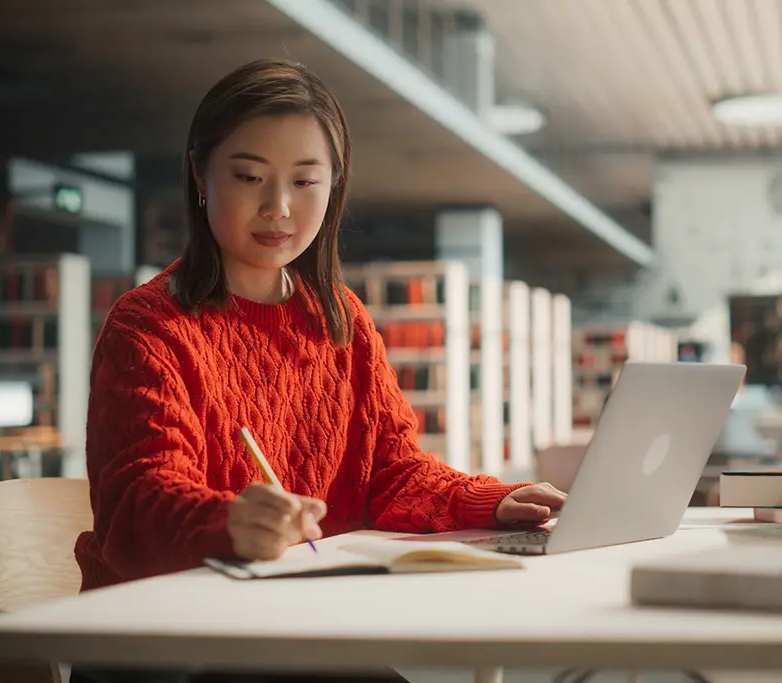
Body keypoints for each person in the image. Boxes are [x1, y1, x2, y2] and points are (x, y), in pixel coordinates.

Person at [70, 59, 567, 683]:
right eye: (249, 176)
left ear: (335, 187)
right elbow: (137, 501)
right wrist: (229, 524)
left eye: (306, 182)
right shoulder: (149, 325)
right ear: (200, 173)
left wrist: (488, 500)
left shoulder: (342, 320)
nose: (277, 208)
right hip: (166, 641)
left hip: (297, 625)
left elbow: (391, 472)